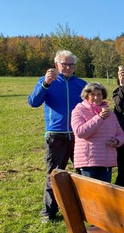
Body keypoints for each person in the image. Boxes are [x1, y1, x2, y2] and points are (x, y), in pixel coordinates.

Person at [28, 50, 87, 223]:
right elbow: (33, 102)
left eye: (71, 65)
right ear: (56, 65)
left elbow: (91, 105)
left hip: (79, 135)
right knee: (53, 174)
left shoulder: (81, 84)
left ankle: (85, 210)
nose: (68, 67)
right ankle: (48, 212)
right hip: (56, 135)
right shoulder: (47, 81)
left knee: (82, 174)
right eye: (64, 64)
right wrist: (45, 83)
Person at [71, 82, 124, 182]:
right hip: (88, 162)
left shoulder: (110, 113)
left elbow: (120, 133)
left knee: (104, 196)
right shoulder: (79, 111)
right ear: (86, 96)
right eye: (92, 94)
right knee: (90, 195)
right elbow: (80, 132)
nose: (96, 97)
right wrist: (99, 118)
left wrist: (117, 141)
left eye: (99, 94)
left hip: (106, 162)